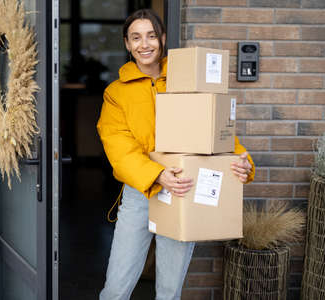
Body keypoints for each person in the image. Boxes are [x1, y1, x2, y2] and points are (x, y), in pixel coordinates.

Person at [96, 9, 255, 300]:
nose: (145, 44)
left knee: (170, 291)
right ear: (127, 44)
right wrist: (157, 175)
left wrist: (241, 161)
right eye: (136, 37)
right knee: (116, 288)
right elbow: (118, 147)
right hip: (140, 192)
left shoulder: (186, 80)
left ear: (163, 39)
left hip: (183, 186)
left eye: (151, 36)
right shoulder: (116, 93)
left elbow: (213, 124)